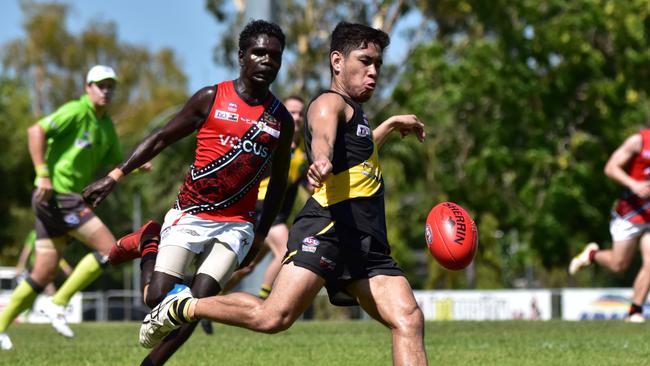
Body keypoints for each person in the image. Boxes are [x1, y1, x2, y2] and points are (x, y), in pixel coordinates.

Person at [139, 22, 429, 365]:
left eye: (378, 64)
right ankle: (185, 305)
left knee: (408, 318)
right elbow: (323, 137)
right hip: (328, 230)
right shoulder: (328, 103)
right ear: (337, 61)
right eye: (365, 61)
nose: (373, 71)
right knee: (273, 317)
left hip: (365, 241)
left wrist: (390, 125)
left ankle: (184, 305)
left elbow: (360, 155)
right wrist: (320, 159)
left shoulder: (359, 115)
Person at [82, 19, 293, 366]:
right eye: (258, 53)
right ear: (241, 56)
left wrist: (259, 237)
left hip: (237, 224)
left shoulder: (280, 119)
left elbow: (280, 185)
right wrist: (116, 175)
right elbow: (162, 137)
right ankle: (150, 240)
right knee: (157, 298)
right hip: (191, 214)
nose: (267, 61)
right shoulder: (212, 97)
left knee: (197, 305)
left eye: (274, 55)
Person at [0, 65, 144, 350]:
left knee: (42, 273)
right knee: (110, 249)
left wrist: (139, 165)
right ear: (87, 88)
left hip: (63, 200)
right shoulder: (75, 111)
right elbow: (35, 131)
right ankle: (59, 303)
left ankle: (1, 325)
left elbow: (116, 161)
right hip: (58, 195)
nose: (106, 90)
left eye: (110, 86)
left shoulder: (106, 125)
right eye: (100, 85)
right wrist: (42, 171)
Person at [221, 95, 311, 299]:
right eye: (291, 113)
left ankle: (209, 300)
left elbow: (303, 181)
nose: (296, 118)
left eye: (300, 113)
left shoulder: (302, 151)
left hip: (278, 213)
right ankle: (264, 301)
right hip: (262, 206)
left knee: (247, 267)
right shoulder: (271, 141)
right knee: (286, 250)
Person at [570, 129, 650, 323]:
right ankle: (592, 254)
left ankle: (634, 311)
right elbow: (610, 168)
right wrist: (633, 184)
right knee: (619, 265)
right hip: (630, 213)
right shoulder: (638, 141)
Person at [14, 230, 73, 296]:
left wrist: (65, 266)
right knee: (48, 287)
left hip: (47, 267)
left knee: (47, 289)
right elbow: (26, 252)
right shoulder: (34, 235)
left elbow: (56, 255)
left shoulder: (52, 235)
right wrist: (20, 266)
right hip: (35, 266)